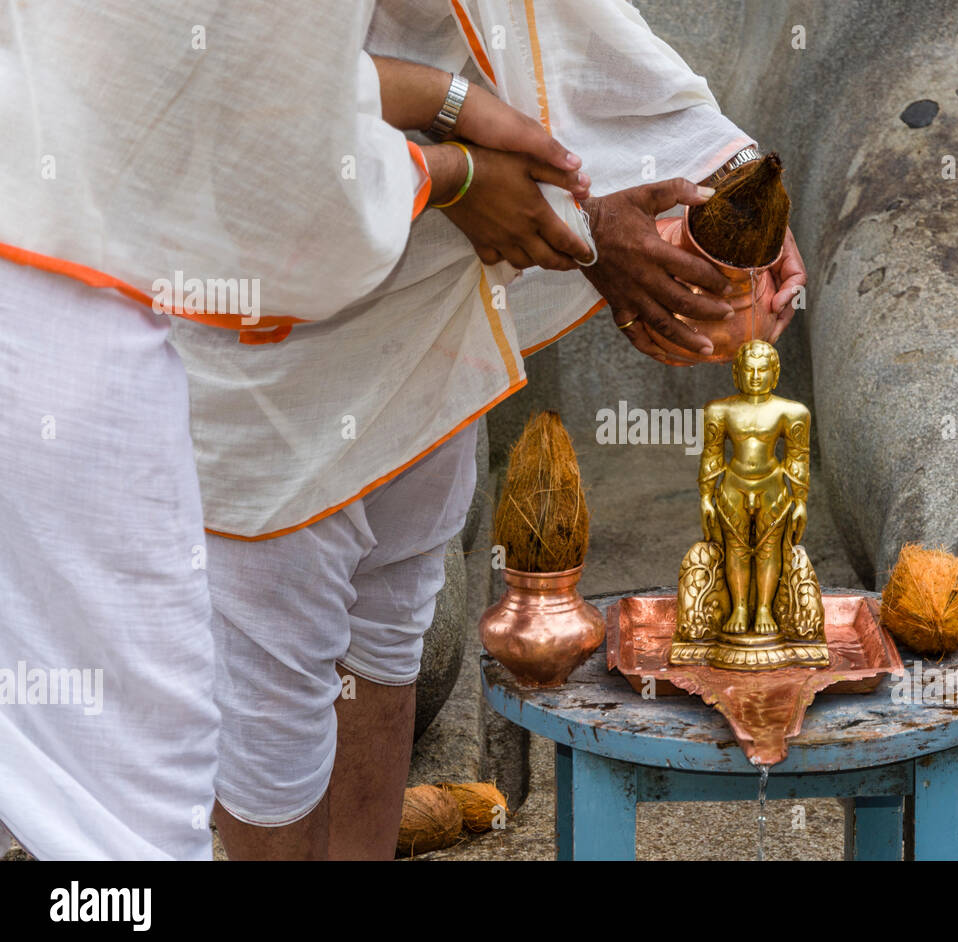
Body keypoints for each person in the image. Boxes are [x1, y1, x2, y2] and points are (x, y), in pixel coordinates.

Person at [178, 0, 807, 859]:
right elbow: (243, 84)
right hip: (272, 299)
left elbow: (558, 17)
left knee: (391, 611)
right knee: (274, 662)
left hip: (427, 298)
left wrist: (722, 166)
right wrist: (460, 161)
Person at [0, 0, 586, 860]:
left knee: (391, 625)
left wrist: (448, 110)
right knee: (145, 798)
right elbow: (245, 107)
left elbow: (274, 74)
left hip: (402, 326)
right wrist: (449, 168)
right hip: (150, 333)